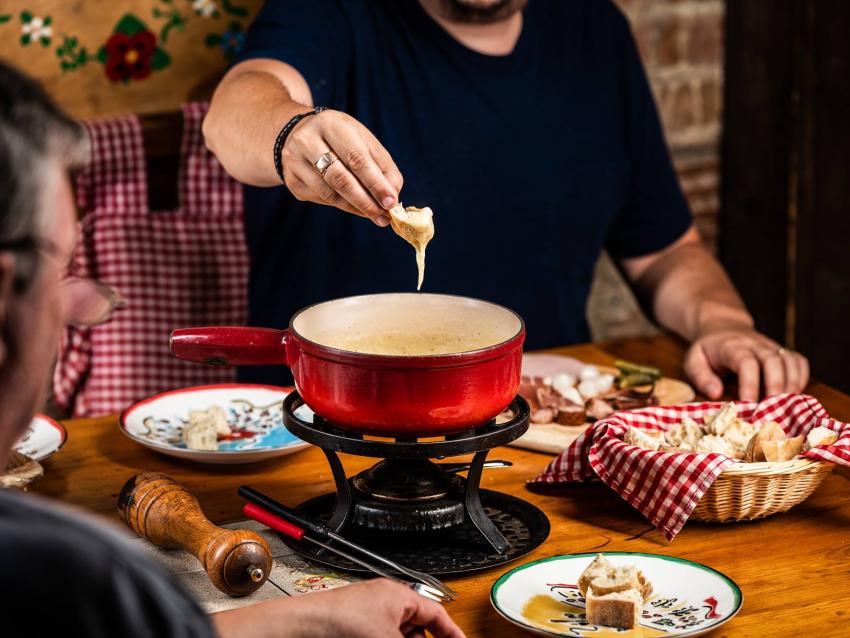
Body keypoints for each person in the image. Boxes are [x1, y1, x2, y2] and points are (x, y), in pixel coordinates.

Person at [0, 61, 464, 638]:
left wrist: (309, 617)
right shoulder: (76, 571)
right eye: (63, 273)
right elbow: (232, 112)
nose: (78, 313)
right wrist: (290, 131)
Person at [204, 0, 810, 401]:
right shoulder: (332, 11)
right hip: (326, 426)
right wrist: (288, 133)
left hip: (541, 433)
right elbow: (235, 112)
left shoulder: (593, 29)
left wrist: (725, 325)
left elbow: (665, 254)